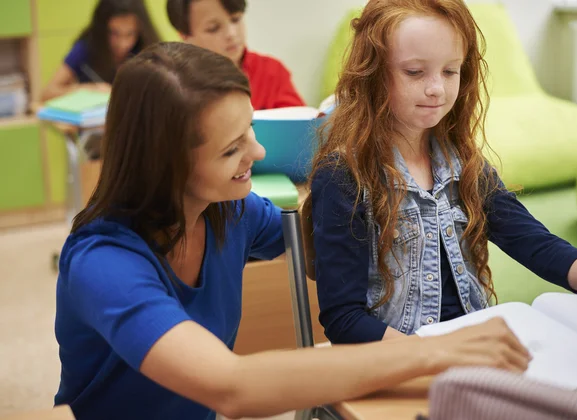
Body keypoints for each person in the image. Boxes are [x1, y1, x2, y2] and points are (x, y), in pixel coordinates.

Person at [54, 42, 531, 420]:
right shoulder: (105, 263)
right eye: (231, 149)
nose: (258, 155)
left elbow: (327, 246)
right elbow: (232, 387)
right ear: (164, 167)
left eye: (251, 130)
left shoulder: (231, 214)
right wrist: (432, 352)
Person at [305, 0, 577, 344]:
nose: (437, 89)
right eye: (415, 72)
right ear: (372, 74)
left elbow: (532, 241)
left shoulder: (463, 161)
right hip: (401, 358)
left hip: (472, 345)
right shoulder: (344, 176)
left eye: (450, 71)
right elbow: (344, 319)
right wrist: (435, 354)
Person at [166, 0, 305, 110]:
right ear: (185, 36)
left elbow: (300, 129)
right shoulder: (175, 84)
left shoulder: (272, 71)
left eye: (236, 19)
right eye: (213, 29)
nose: (231, 34)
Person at [41, 0, 160, 101]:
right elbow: (47, 93)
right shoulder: (86, 47)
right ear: (101, 28)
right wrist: (88, 89)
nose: (122, 44)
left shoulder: (148, 49)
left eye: (130, 34)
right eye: (114, 33)